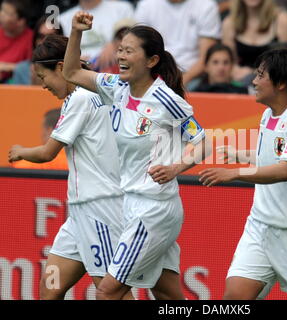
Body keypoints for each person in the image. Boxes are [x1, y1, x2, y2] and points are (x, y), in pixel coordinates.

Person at [62, 11, 209, 300]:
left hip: (154, 210)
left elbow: (203, 142)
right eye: (119, 50)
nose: (121, 56)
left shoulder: (167, 100)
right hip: (131, 204)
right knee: (166, 293)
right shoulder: (116, 88)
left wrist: (176, 168)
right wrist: (76, 32)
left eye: (129, 51)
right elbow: (71, 73)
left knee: (107, 291)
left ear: (151, 61)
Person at [199, 48, 287, 300]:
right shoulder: (268, 114)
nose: (253, 81)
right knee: (234, 298)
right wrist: (242, 154)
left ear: (281, 83)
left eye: (260, 75)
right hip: (259, 227)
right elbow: (275, 155)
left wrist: (235, 173)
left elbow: (285, 170)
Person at [8, 34, 128, 300]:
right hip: (79, 213)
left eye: (43, 77)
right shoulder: (97, 90)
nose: (43, 85)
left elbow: (48, 152)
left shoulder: (81, 98)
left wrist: (19, 151)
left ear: (61, 68)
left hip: (101, 209)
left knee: (110, 294)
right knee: (49, 289)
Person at [134, 0, 221, 88]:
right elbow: (139, 51)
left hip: (192, 77)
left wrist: (178, 83)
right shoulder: (146, 5)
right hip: (153, 75)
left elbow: (205, 59)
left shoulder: (206, 5)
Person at [222, 0, 287, 86]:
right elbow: (228, 63)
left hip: (273, 83)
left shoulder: (282, 20)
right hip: (240, 84)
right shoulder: (229, 23)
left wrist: (253, 73)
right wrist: (234, 70)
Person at [59, 0, 134, 67]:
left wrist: (116, 44)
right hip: (78, 77)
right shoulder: (62, 19)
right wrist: (74, 59)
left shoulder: (122, 9)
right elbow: (57, 53)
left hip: (115, 72)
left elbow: (136, 39)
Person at [9, 14, 64, 85]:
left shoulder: (69, 69)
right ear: (35, 40)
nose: (45, 41)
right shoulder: (22, 70)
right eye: (41, 36)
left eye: (51, 37)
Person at [0, 0, 33, 83]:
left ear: (21, 21)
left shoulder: (32, 38)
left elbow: (32, 68)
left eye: (7, 13)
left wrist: (7, 67)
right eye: (2, 10)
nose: (1, 15)